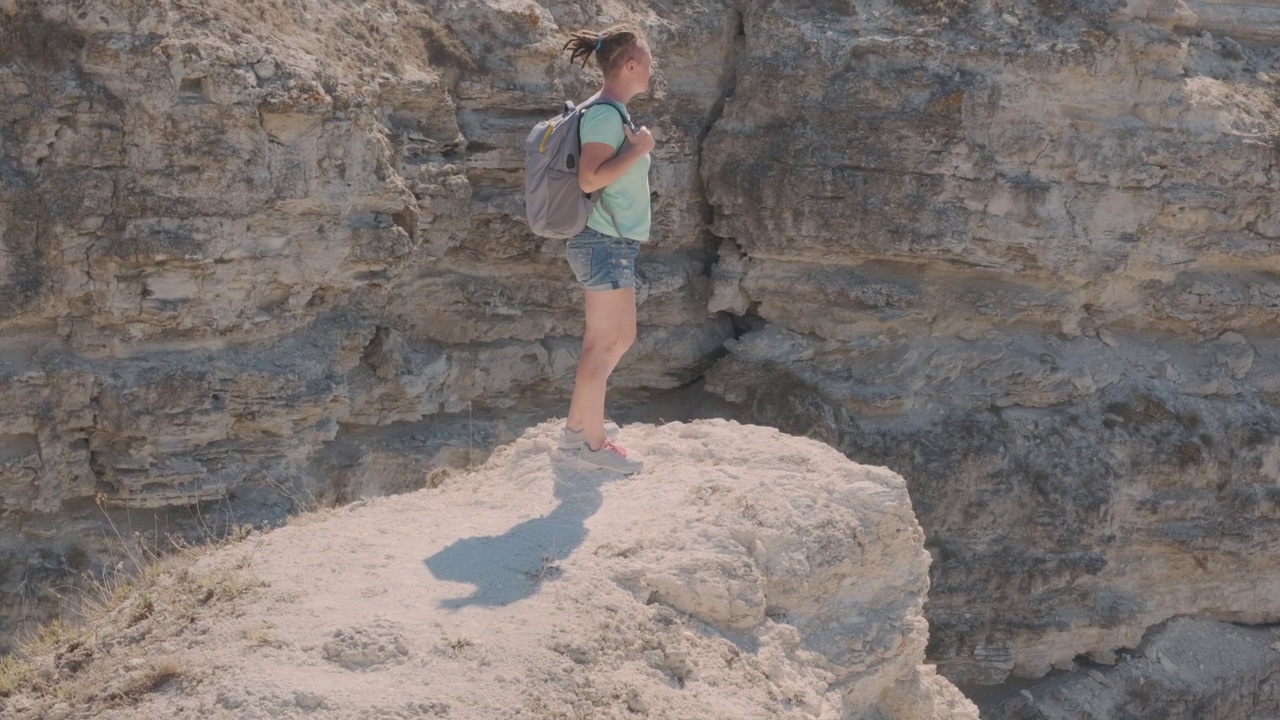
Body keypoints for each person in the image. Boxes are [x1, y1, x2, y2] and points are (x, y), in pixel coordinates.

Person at [557, 25, 655, 474]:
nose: (652, 69)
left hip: (612, 243)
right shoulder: (603, 116)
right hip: (602, 240)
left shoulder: (614, 113)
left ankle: (579, 427)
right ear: (631, 65)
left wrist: (635, 147)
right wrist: (639, 151)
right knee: (602, 343)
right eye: (648, 61)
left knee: (616, 338)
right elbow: (590, 179)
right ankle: (592, 448)